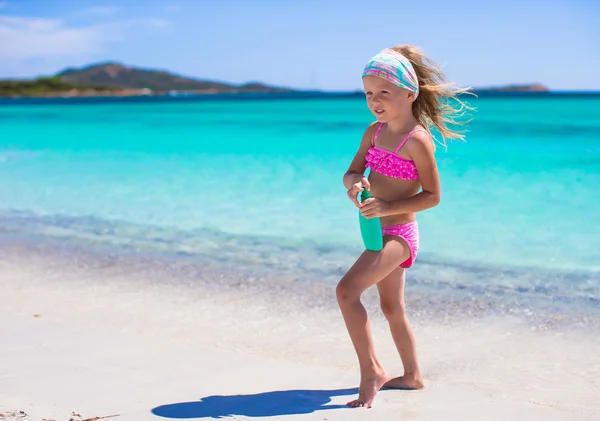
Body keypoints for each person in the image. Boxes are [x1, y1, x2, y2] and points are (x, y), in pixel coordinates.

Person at [338, 45, 472, 408]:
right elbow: (352, 170)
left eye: (384, 92)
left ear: (409, 93)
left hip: (400, 235)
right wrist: (355, 185)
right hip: (374, 229)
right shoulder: (374, 131)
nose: (375, 101)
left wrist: (389, 206)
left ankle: (372, 372)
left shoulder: (418, 141)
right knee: (392, 308)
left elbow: (432, 196)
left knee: (347, 292)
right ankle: (412, 376)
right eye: (369, 93)